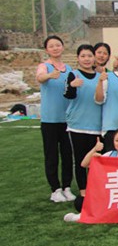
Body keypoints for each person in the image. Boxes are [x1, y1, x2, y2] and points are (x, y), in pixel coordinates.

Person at [63, 128, 118, 222]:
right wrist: (94, 150)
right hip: (109, 195)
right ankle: (86, 215)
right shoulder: (109, 155)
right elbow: (84, 164)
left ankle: (85, 216)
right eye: (117, 140)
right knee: (80, 201)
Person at [37, 35, 75, 202]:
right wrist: (49, 75)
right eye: (51, 46)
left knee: (67, 155)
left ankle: (67, 187)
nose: (55, 48)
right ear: (47, 49)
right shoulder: (44, 67)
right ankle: (55, 189)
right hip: (50, 120)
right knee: (52, 155)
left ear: (62, 47)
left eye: (57, 45)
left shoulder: (69, 69)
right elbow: (40, 77)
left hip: (67, 120)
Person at [64, 44, 102, 202]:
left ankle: (96, 189)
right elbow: (68, 95)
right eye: (83, 56)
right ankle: (83, 192)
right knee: (80, 160)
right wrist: (72, 86)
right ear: (78, 58)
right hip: (78, 125)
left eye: (89, 56)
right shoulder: (73, 75)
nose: (87, 59)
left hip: (97, 126)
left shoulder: (100, 77)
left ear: (94, 58)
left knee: (95, 160)